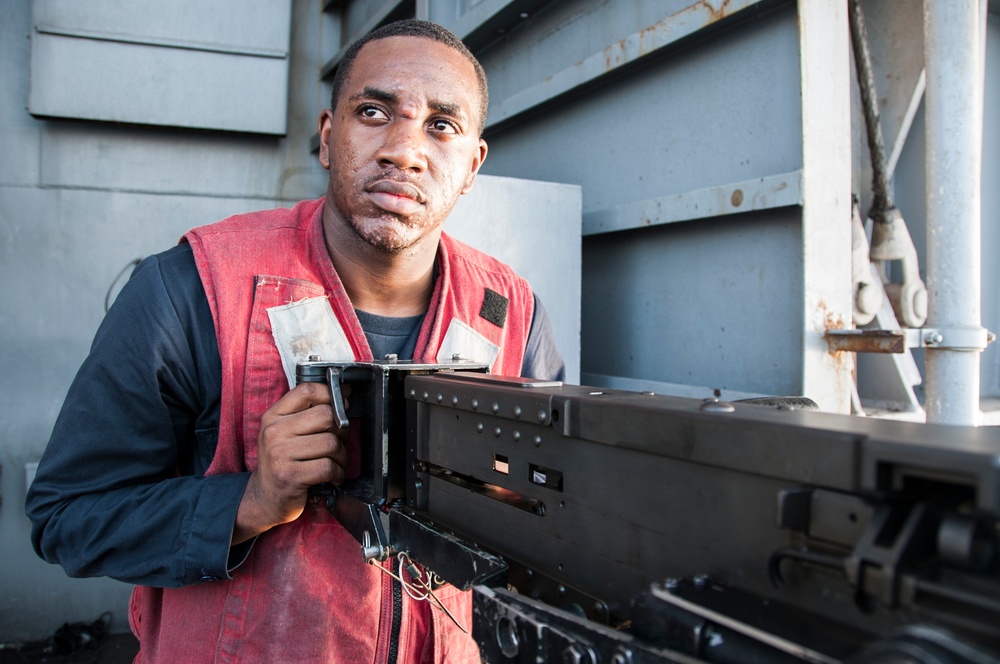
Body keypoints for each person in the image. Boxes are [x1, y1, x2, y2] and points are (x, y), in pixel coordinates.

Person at [26, 19, 564, 663]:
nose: (403, 150)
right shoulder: (194, 288)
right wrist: (248, 503)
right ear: (329, 137)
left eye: (440, 126)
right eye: (373, 112)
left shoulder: (512, 314)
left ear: (473, 163)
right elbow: (68, 518)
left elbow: (552, 519)